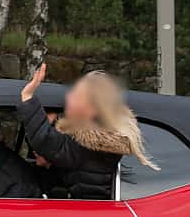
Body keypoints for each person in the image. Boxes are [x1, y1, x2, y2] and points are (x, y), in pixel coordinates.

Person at [15, 63, 157, 199]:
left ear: (93, 108)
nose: (68, 98)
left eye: (77, 96)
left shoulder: (85, 146)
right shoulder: (108, 144)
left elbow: (45, 141)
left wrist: (28, 98)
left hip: (88, 212)